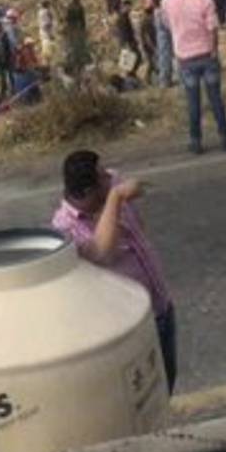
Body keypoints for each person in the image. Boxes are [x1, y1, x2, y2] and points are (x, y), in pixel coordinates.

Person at [52, 150, 177, 393]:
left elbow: (138, 227)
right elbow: (101, 253)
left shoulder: (108, 194)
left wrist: (114, 199)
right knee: (148, 394)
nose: (111, 178)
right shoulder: (65, 228)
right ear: (87, 191)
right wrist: (116, 199)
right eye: (103, 177)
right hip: (134, 328)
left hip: (161, 308)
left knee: (168, 384)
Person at [160, 0, 226, 155]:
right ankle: (225, 136)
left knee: (193, 102)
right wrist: (214, 49)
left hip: (184, 56)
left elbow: (167, 25)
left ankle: (196, 141)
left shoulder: (166, 2)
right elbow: (213, 27)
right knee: (215, 99)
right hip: (206, 52)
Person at [64, 0, 91, 77]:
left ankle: (76, 66)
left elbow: (67, 19)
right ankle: (81, 64)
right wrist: (84, 30)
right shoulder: (79, 7)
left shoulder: (69, 7)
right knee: (80, 48)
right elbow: (83, 20)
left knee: (73, 48)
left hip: (71, 31)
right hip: (78, 30)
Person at [114, 0, 142, 80]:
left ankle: (131, 75)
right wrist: (126, 44)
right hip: (128, 42)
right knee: (132, 60)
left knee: (134, 59)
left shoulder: (124, 16)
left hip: (129, 41)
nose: (130, 8)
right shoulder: (122, 17)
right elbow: (123, 32)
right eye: (129, 6)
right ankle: (130, 76)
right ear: (126, 6)